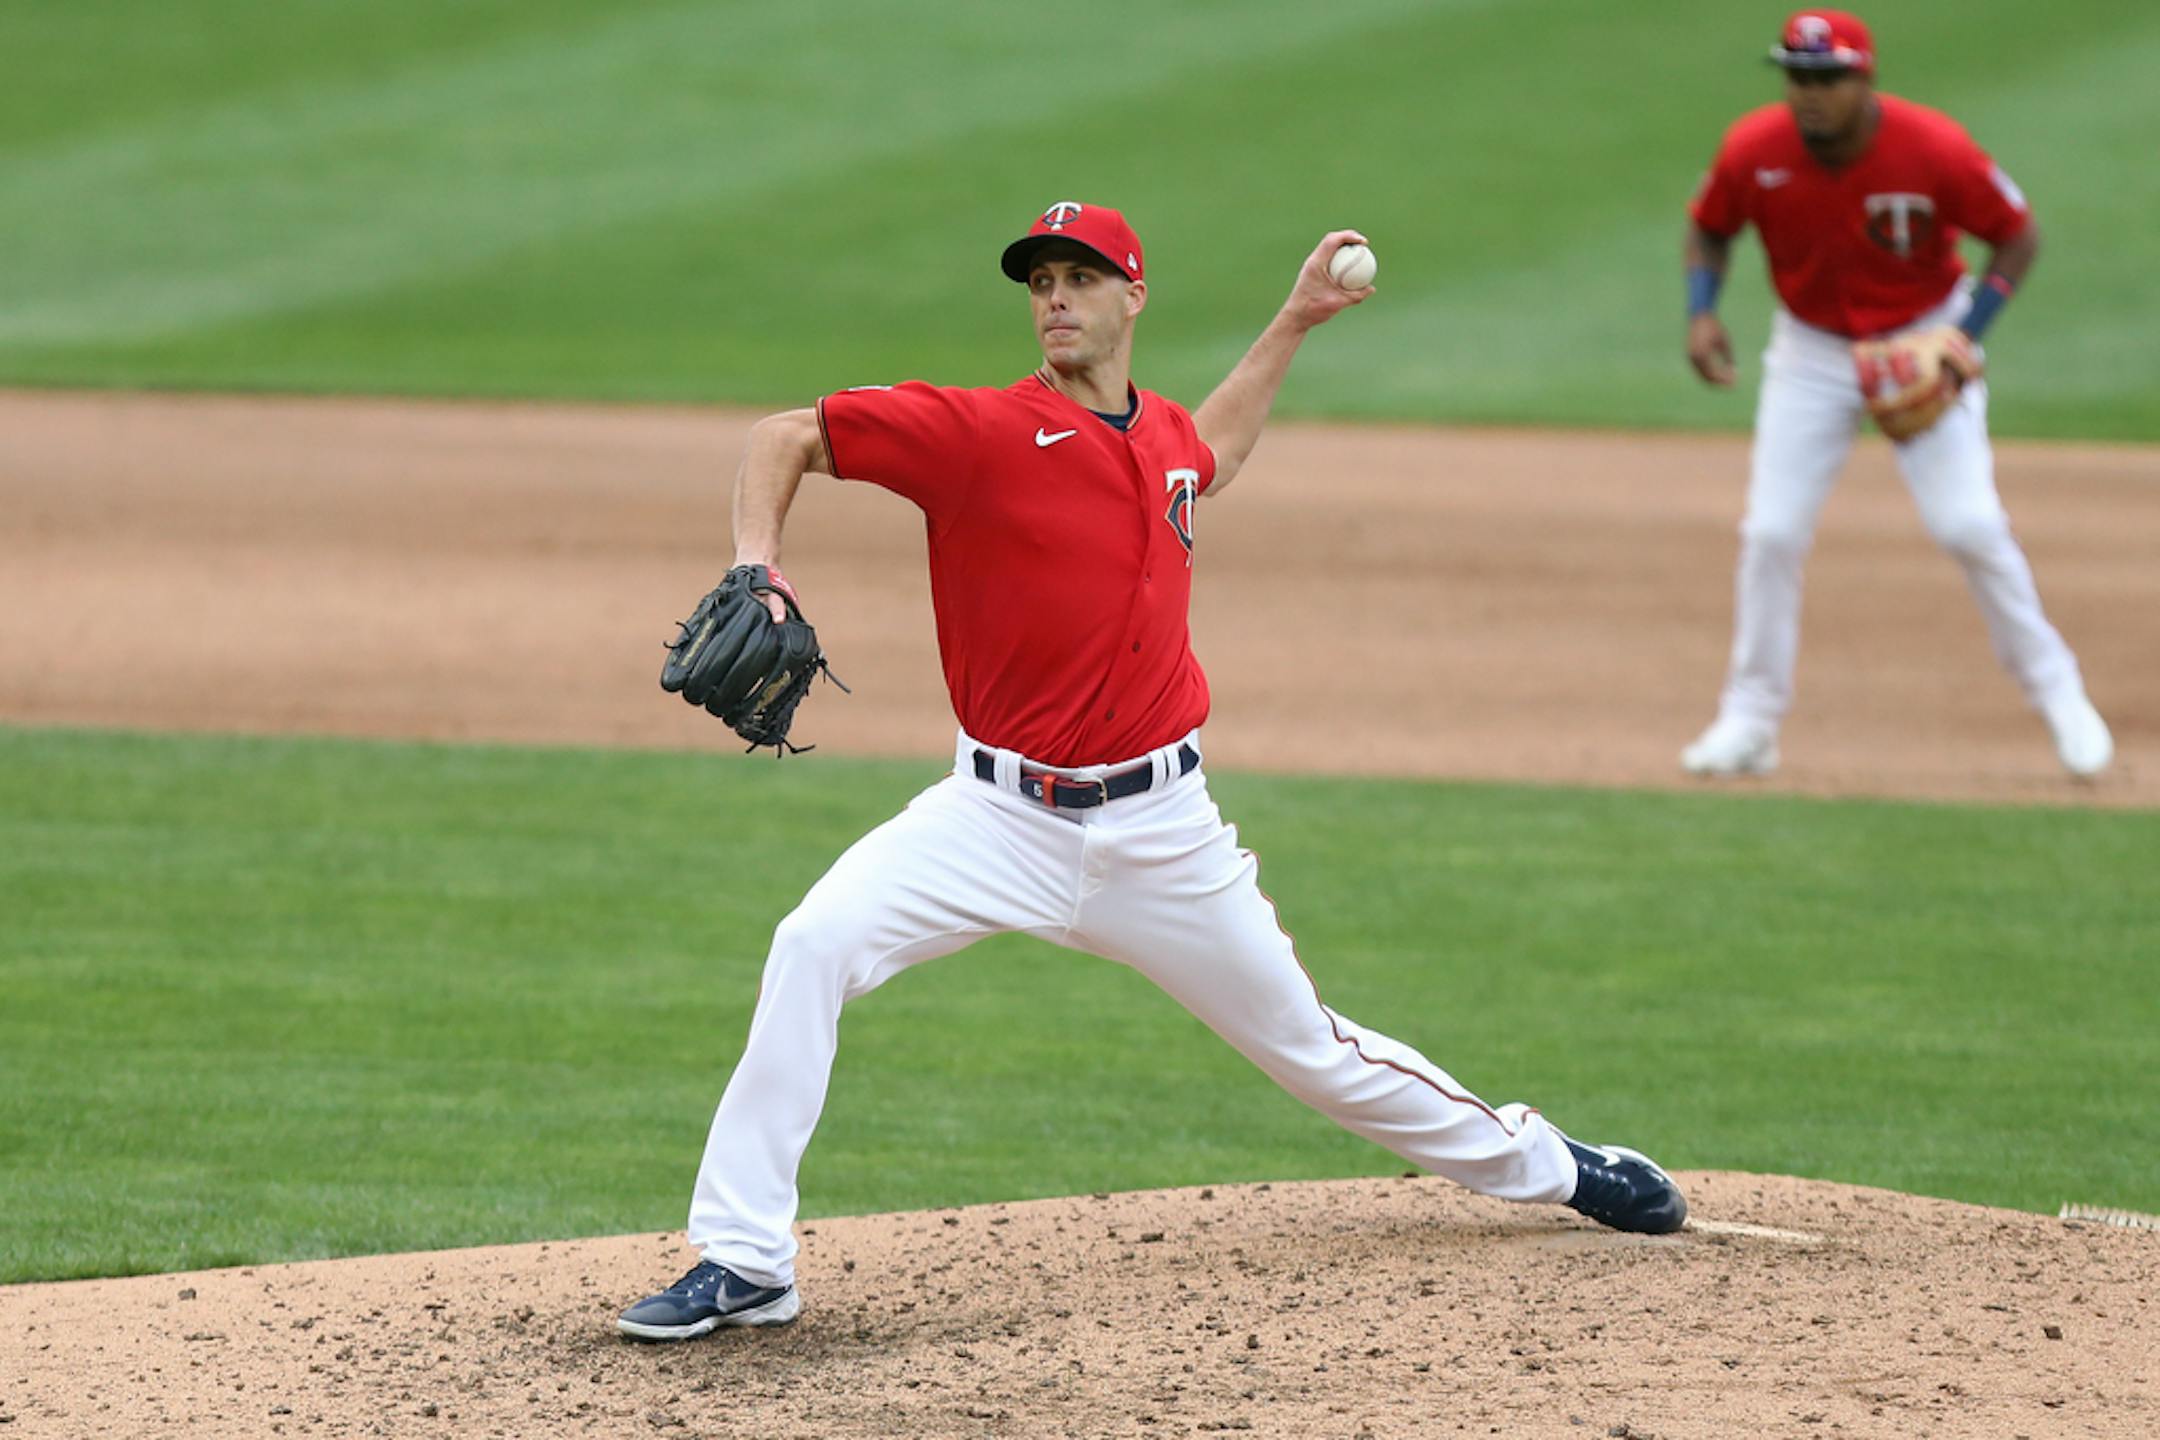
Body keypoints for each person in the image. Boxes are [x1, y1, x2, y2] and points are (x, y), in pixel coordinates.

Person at [616, 201, 1687, 1343]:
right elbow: (785, 434)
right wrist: (758, 565)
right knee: (812, 944)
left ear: (1132, 296)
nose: (1056, 299)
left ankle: (1553, 1164)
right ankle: (744, 1259)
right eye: (1039, 283)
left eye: (1080, 277)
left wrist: (1295, 319)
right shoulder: (974, 431)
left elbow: (1210, 453)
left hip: (1166, 833)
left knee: (1315, 1051)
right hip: (994, 819)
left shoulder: (1164, 438)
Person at [1678, 9, 2112, 780]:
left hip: (1923, 339)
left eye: (1827, 78)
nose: (1809, 95)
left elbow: (2017, 233)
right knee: (1771, 534)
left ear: (1863, 78)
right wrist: (1702, 312)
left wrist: (1965, 337)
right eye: (1797, 77)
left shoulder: (1933, 146)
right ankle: (1750, 721)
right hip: (1811, 354)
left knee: (1969, 526)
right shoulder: (1755, 148)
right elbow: (1710, 226)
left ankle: (2060, 692)